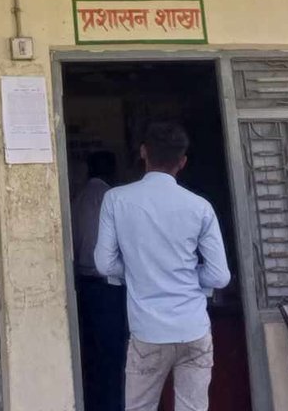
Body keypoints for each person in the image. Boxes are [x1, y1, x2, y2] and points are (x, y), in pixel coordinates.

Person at [94, 120, 231, 411]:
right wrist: (189, 275)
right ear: (182, 162)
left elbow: (104, 264)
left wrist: (138, 271)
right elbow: (219, 276)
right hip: (193, 328)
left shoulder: (115, 200)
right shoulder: (200, 207)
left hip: (148, 331)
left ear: (143, 152)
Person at [73, 151, 127, 411]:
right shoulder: (111, 198)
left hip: (83, 285)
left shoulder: (77, 199)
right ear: (112, 171)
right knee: (112, 355)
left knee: (91, 354)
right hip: (108, 287)